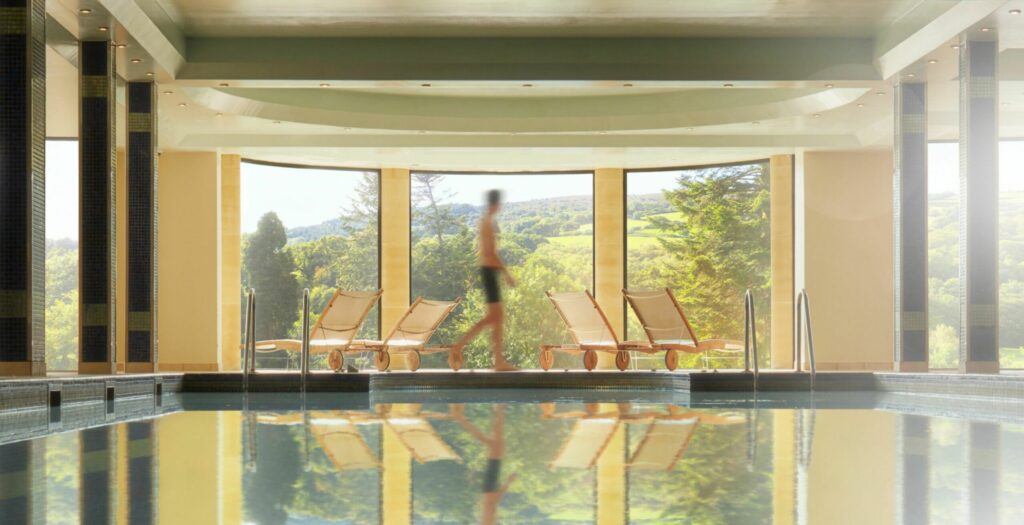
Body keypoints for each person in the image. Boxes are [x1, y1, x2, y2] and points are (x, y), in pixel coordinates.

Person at [451, 189, 518, 371]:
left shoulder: (485, 221)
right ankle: (460, 346)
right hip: (489, 271)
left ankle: (497, 360)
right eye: (500, 203)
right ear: (495, 204)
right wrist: (506, 274)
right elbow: (490, 253)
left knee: (496, 318)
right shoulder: (487, 223)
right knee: (493, 317)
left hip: (489, 271)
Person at [450, 404, 517, 525]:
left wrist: (508, 482)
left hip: (490, 489)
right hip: (490, 488)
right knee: (495, 441)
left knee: (496, 442)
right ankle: (497, 410)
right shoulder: (487, 520)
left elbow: (492, 505)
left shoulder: (487, 521)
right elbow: (492, 505)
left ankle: (461, 418)